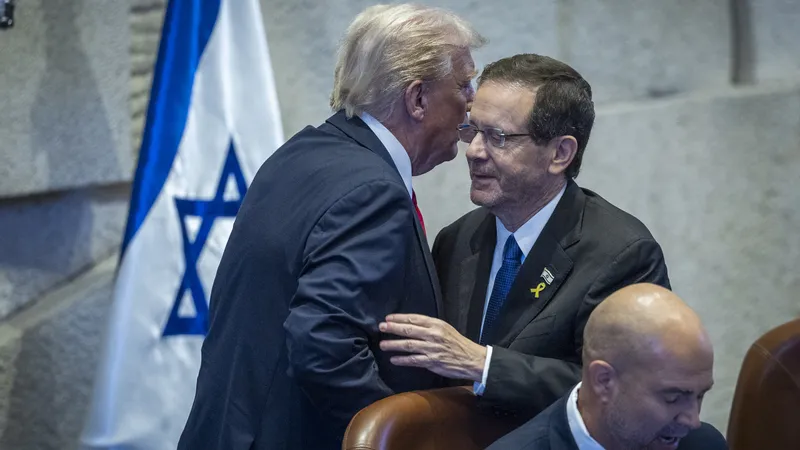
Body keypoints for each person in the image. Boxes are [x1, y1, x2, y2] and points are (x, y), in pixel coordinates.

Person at [177, 5, 485, 450]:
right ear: (417, 98)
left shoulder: (303, 153)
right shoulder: (374, 192)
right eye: (463, 84)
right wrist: (397, 435)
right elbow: (323, 346)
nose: (473, 101)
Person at [379, 54, 669, 419]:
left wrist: (484, 365)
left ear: (560, 153)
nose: (474, 151)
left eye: (497, 137)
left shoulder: (622, 254)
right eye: (472, 130)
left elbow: (623, 391)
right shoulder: (456, 239)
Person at [486, 283, 727, 450]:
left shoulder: (703, 445)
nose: (693, 420)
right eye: (673, 398)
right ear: (604, 381)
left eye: (700, 396)